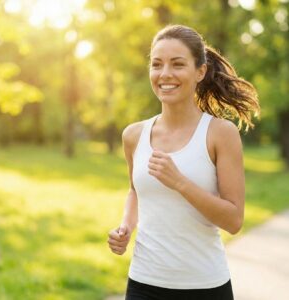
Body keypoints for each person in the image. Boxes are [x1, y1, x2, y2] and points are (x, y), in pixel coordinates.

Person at [108, 24, 260, 300]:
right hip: (144, 283)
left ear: (199, 71)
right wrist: (125, 228)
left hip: (204, 286)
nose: (165, 74)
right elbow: (135, 190)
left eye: (177, 64)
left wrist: (179, 182)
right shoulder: (134, 135)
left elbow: (234, 220)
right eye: (157, 64)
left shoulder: (219, 134)